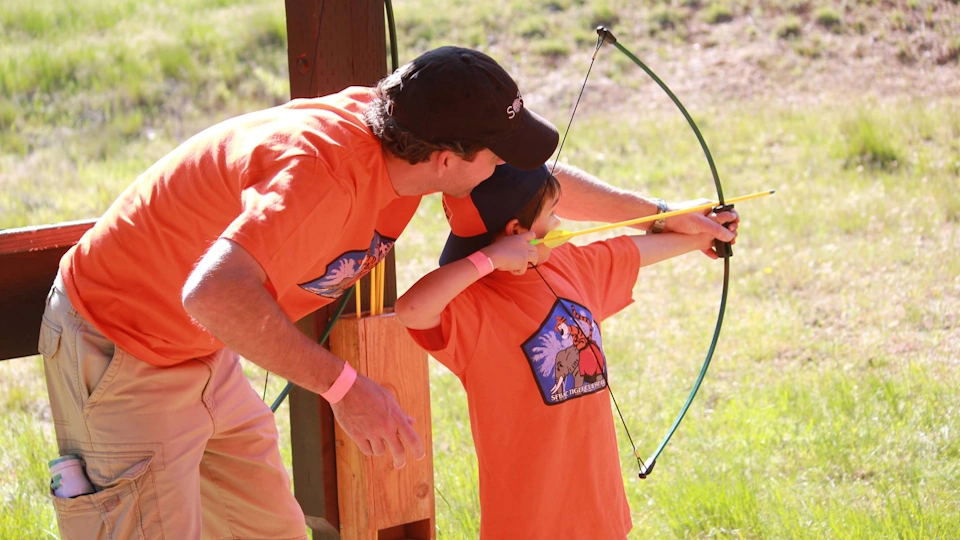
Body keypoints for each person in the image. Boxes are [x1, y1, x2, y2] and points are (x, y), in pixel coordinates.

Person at [38, 42, 735, 538]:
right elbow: (211, 293)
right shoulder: (321, 174)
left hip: (202, 354)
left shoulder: (411, 137)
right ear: (445, 160)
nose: (504, 165)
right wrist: (346, 388)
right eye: (494, 154)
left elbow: (539, 186)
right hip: (121, 348)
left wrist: (666, 217)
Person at [394, 164, 739, 540]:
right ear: (516, 233)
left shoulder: (568, 265)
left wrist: (705, 234)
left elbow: (631, 251)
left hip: (598, 513)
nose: (559, 223)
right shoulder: (473, 309)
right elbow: (410, 309)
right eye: (552, 213)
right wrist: (489, 261)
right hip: (529, 524)